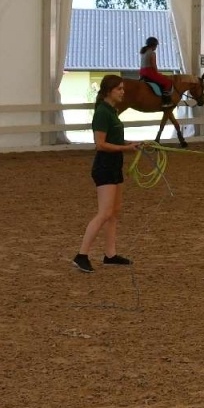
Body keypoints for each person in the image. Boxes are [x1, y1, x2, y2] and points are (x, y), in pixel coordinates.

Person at [74, 74, 138, 274]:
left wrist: (131, 145)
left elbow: (114, 139)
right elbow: (100, 144)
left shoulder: (111, 111)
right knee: (104, 213)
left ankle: (110, 255)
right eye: (119, 89)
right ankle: (81, 255)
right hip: (105, 166)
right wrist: (126, 148)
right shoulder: (102, 112)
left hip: (114, 165)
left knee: (114, 212)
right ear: (109, 91)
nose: (122, 92)